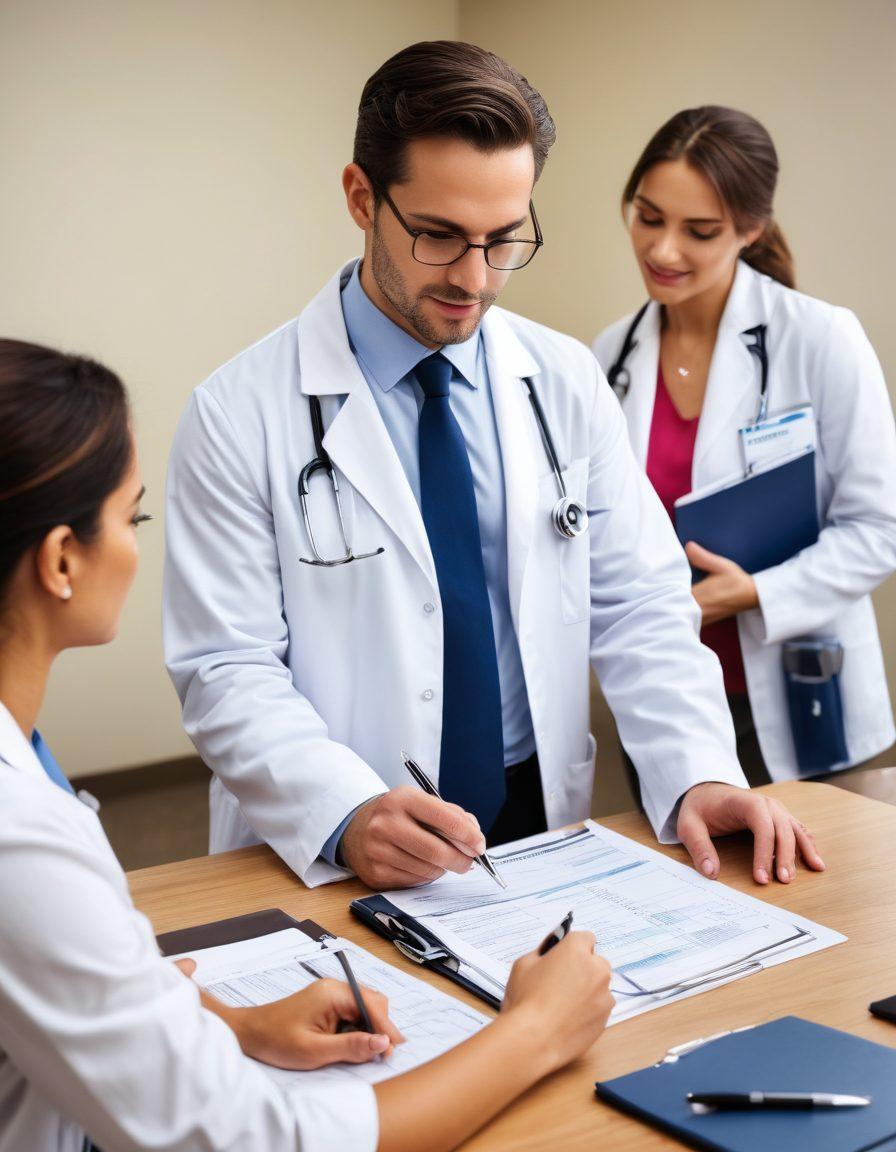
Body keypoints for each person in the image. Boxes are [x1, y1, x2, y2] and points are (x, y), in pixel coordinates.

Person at [164, 42, 824, 892]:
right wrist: (343, 810)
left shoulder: (564, 378)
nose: (474, 279)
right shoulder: (236, 411)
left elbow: (641, 606)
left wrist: (700, 771)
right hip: (340, 833)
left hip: (535, 810)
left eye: (504, 239)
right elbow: (226, 665)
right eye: (438, 236)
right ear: (362, 198)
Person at [0, 337, 615, 1152]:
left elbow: (56, 989)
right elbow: (262, 1141)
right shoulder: (21, 842)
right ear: (60, 561)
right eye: (132, 517)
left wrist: (232, 1026)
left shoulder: (24, 775)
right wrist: (535, 1031)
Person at [592, 106, 896, 784]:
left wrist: (751, 592)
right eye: (648, 217)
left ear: (750, 228)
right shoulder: (610, 356)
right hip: (665, 698)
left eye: (699, 231)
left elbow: (878, 528)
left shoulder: (819, 339)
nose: (663, 250)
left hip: (795, 692)